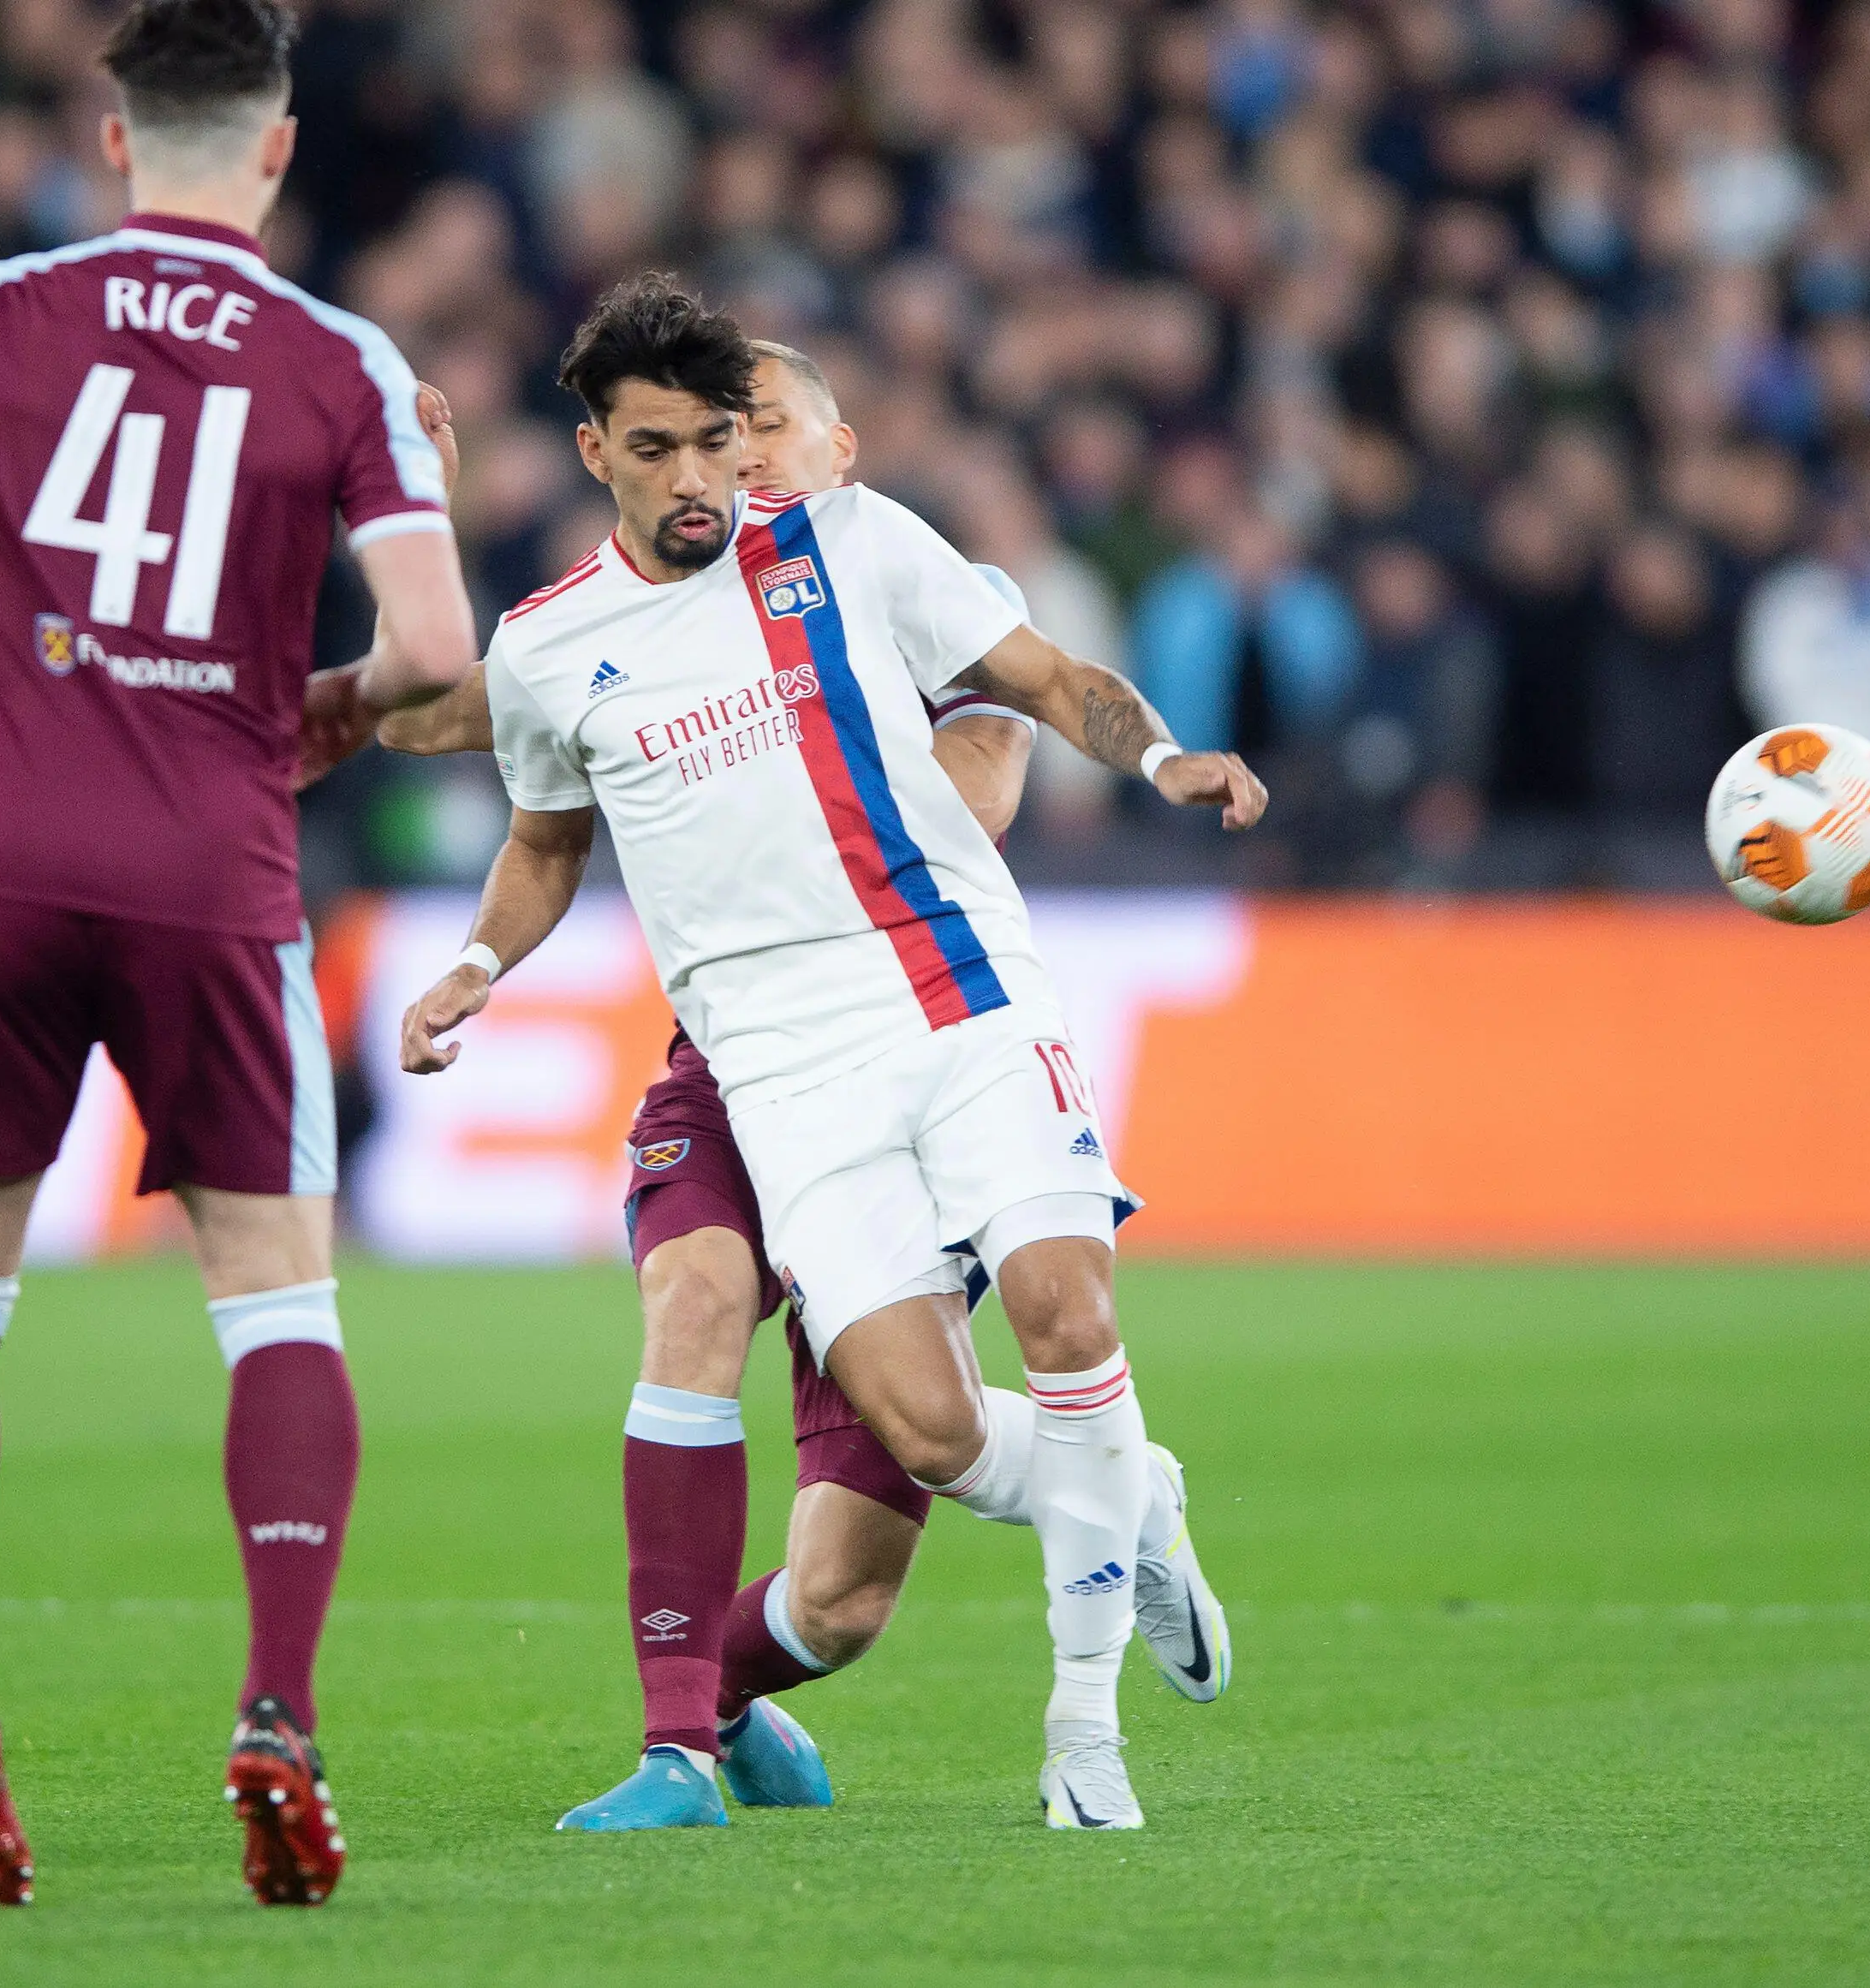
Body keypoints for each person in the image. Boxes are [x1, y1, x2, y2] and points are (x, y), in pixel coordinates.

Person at [0, 0, 475, 1910]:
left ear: (110, 141)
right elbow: (433, 650)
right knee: (275, 1301)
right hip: (208, 870)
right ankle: (274, 1714)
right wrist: (320, 701)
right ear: (275, 147)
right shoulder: (339, 360)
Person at [398, 276, 1265, 1830]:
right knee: (916, 1441)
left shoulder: (861, 551)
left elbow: (1045, 692)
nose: (704, 477)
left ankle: (1082, 1741)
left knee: (1065, 1313)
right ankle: (1130, 1496)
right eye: (659, 447)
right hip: (772, 1080)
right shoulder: (548, 648)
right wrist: (470, 962)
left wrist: (1158, 755)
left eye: (727, 441)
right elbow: (538, 835)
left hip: (955, 996)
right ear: (596, 451)